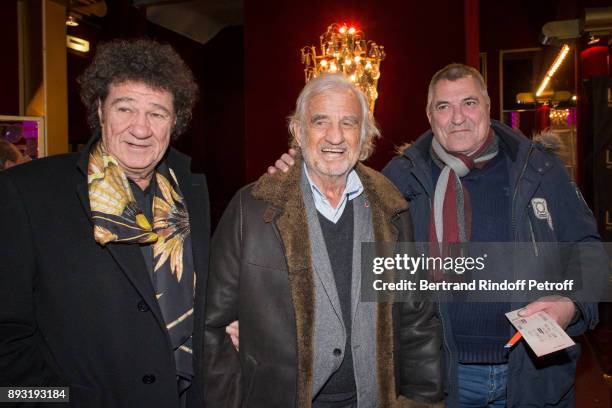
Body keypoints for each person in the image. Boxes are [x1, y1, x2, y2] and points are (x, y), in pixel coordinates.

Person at [203, 73, 444, 407]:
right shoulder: (252, 210)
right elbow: (211, 326)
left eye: (348, 123)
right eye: (321, 122)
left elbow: (416, 319)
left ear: (364, 136)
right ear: (299, 133)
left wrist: (423, 399)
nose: (335, 136)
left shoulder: (393, 211)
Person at [0, 39, 209, 407]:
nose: (140, 129)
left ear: (175, 121)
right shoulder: (29, 192)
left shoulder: (191, 192)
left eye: (157, 113)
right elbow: (7, 337)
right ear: (100, 110)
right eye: (125, 108)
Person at [382, 63, 603, 407]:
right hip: (440, 379)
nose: (458, 118)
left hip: (532, 374)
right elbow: (350, 231)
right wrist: (295, 175)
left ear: (487, 106)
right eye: (444, 107)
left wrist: (571, 304)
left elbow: (587, 250)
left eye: (469, 103)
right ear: (430, 115)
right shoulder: (401, 178)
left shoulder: (539, 168)